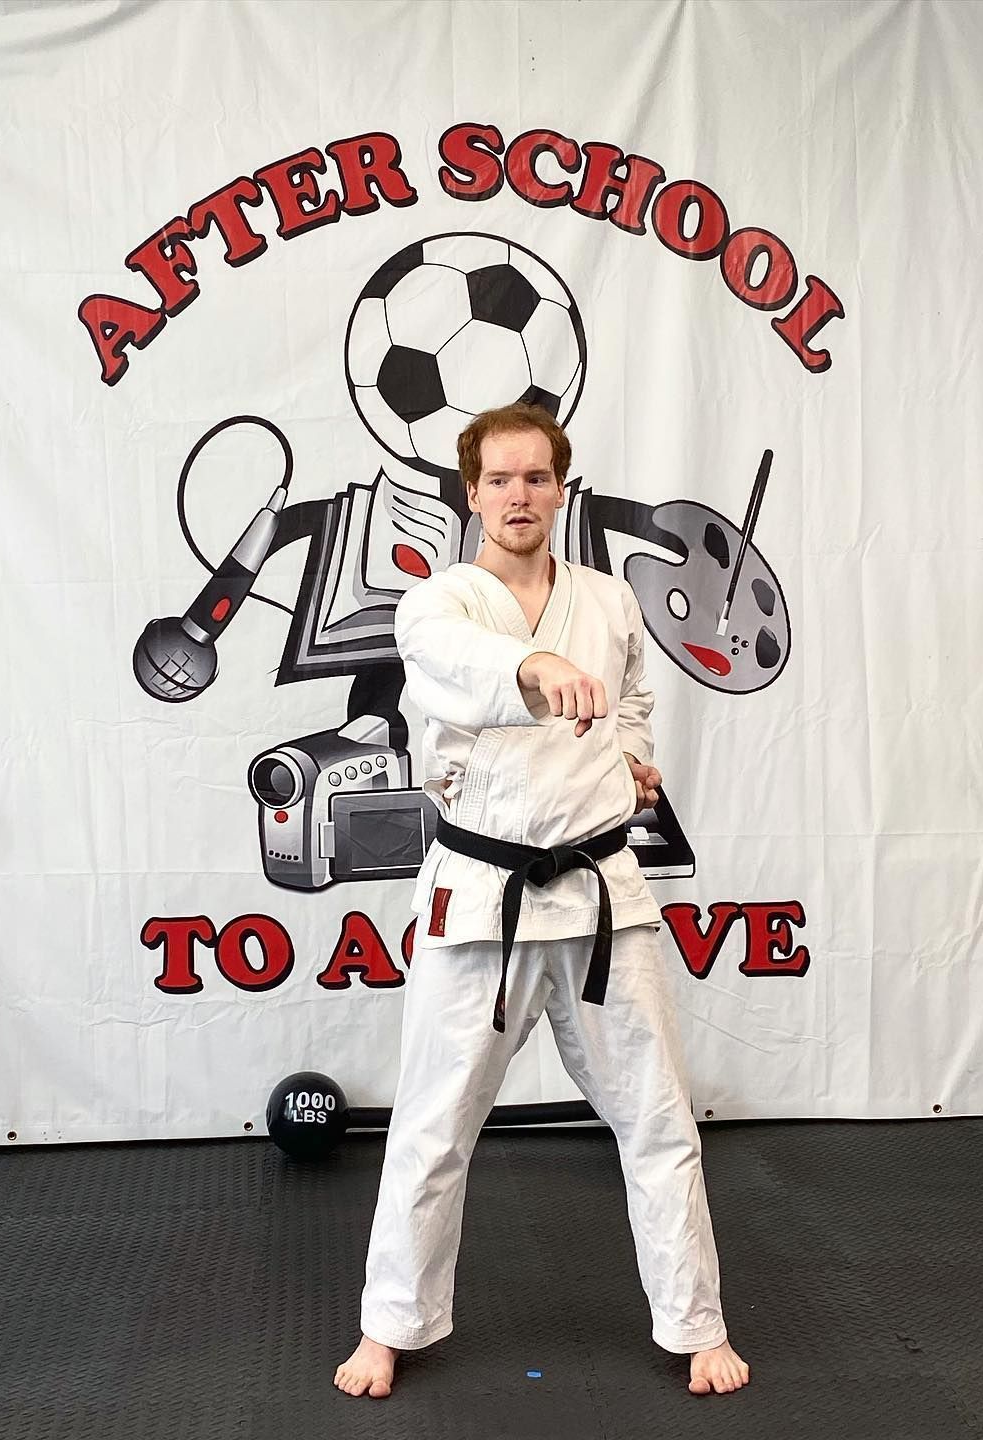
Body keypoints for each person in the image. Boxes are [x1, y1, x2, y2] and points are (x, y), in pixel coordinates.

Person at [334, 403, 749, 1399]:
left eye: (536, 478)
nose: (519, 497)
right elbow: (461, 671)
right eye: (499, 480)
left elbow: (635, 695)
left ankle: (697, 1326)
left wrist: (638, 759)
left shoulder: (609, 601)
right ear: (470, 493)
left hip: (604, 892)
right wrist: (534, 666)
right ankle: (390, 1326)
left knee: (656, 1119)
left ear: (558, 486)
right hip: (482, 897)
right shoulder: (435, 603)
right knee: (433, 1126)